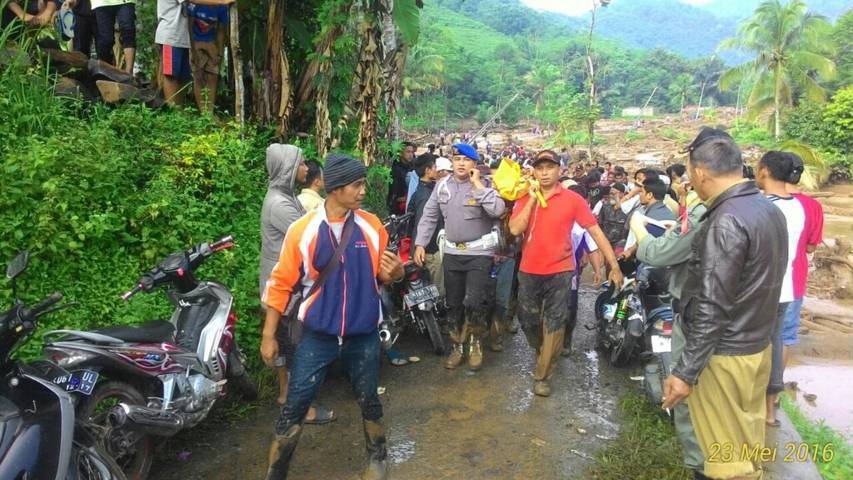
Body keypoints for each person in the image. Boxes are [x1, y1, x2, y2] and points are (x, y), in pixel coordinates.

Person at [261, 153, 404, 480]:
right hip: (317, 337)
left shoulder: (372, 226)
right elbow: (280, 284)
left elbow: (385, 276)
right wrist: (269, 336)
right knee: (295, 403)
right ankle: (275, 472)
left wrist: (395, 274)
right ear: (336, 188)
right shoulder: (303, 230)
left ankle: (377, 459)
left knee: (369, 398)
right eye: (357, 185)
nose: (363, 191)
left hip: (363, 336)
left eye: (363, 184)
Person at [662, 127, 788, 480]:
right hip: (755, 347)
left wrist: (685, 372)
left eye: (690, 174)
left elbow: (712, 304)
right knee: (746, 445)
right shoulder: (767, 209)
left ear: (701, 173)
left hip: (725, 357)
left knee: (726, 463)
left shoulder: (724, 221)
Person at [509, 150, 622, 397]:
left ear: (559, 170)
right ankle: (544, 352)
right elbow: (515, 229)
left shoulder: (572, 199)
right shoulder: (523, 197)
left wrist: (613, 266)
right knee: (528, 321)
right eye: (540, 168)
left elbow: (595, 231)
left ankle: (543, 374)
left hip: (561, 271)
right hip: (528, 271)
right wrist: (531, 200)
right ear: (534, 172)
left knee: (555, 322)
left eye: (550, 167)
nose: (545, 172)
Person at [631, 149, 710, 478]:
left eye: (690, 175)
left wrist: (638, 227)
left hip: (697, 317)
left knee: (691, 400)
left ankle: (702, 468)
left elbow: (658, 252)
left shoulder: (707, 215)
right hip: (740, 333)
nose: (686, 182)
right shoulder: (760, 210)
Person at [258, 144, 334, 427]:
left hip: (281, 282)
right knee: (294, 345)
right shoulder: (280, 204)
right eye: (301, 164)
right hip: (284, 287)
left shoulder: (283, 197)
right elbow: (312, 232)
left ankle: (286, 396)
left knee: (287, 341)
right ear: (289, 169)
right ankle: (302, 408)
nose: (306, 169)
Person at [414, 143, 505, 371]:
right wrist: (420, 243)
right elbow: (429, 216)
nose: (461, 163)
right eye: (457, 159)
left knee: (474, 301)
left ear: (475, 163)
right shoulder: (442, 186)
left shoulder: (486, 185)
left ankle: (475, 344)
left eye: (466, 160)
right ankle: (457, 346)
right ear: (452, 162)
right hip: (453, 252)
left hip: (479, 253)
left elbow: (497, 211)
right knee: (452, 303)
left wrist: (477, 185)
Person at [755, 151, 806, 428]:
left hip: (763, 289)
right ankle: (770, 411)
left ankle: (750, 404)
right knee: (775, 345)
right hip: (785, 288)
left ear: (764, 170)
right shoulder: (796, 206)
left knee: (754, 345)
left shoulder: (765, 207)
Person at [784, 153, 824, 368]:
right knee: (785, 336)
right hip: (794, 278)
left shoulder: (763, 203)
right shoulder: (813, 207)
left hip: (760, 278)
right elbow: (810, 246)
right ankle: (774, 390)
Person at [156, 0, 234, 106]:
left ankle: (178, 111)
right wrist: (222, 1)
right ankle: (171, 110)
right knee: (171, 75)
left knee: (182, 77)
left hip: (183, 38)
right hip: (170, 36)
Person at [407, 154, 444, 297]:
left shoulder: (424, 190)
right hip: (429, 251)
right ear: (428, 170)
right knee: (437, 291)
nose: (437, 170)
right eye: (435, 167)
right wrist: (419, 247)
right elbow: (420, 224)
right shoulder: (426, 196)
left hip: (426, 249)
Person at [187, 2, 228, 112]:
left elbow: (221, 30)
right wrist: (193, 49)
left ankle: (209, 112)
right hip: (195, 42)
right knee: (198, 75)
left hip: (211, 43)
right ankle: (202, 113)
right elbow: (189, 27)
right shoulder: (195, 3)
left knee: (213, 76)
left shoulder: (222, 6)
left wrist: (219, 53)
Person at [91, 0, 136, 73]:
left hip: (125, 2)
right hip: (101, 3)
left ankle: (129, 72)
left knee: (128, 31)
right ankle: (105, 72)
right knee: (106, 39)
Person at [596, 183, 630, 255]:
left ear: (621, 194)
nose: (611, 196)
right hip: (606, 240)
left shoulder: (627, 208)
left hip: (621, 242)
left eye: (613, 194)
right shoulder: (605, 206)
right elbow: (600, 223)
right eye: (610, 194)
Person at [388, 141, 415, 215]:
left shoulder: (412, 166)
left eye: (412, 152)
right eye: (408, 152)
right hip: (398, 208)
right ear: (400, 153)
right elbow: (394, 194)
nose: (411, 155)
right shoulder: (396, 169)